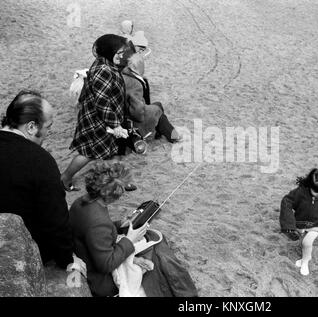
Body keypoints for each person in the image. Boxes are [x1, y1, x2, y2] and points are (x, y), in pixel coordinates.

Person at [70, 162, 197, 297]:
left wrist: (120, 224)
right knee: (159, 252)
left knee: (155, 246)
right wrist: (130, 240)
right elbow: (106, 265)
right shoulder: (98, 222)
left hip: (90, 255)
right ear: (114, 194)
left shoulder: (82, 201)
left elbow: (96, 232)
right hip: (102, 280)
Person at [0, 90, 73, 269]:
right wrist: (68, 260)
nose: (48, 133)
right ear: (31, 127)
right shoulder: (41, 161)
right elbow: (56, 222)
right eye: (48, 127)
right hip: (22, 251)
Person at [61, 34, 137, 192]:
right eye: (120, 53)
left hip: (109, 118)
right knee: (88, 153)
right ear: (109, 52)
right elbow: (102, 103)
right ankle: (65, 178)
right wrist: (115, 125)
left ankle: (118, 180)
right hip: (98, 120)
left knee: (114, 150)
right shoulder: (104, 70)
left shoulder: (107, 62)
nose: (123, 56)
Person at [121, 37, 181, 146]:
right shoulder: (136, 84)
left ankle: (163, 131)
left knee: (157, 106)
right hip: (130, 118)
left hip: (124, 113)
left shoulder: (124, 75)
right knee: (157, 110)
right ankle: (173, 136)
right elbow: (138, 112)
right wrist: (147, 110)